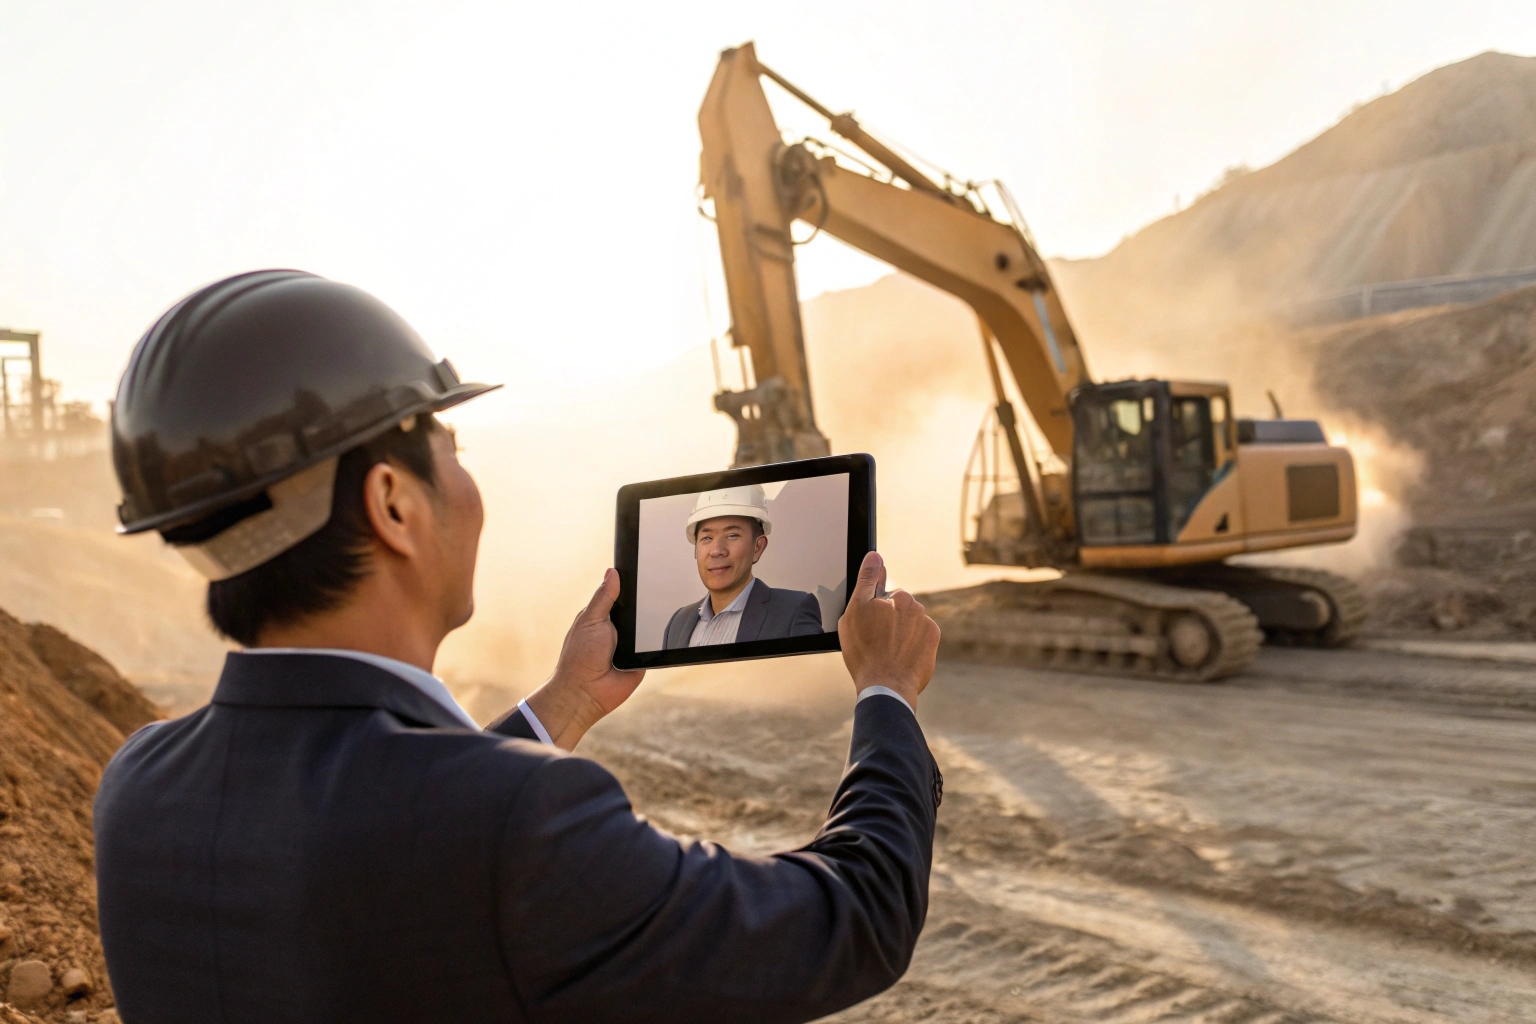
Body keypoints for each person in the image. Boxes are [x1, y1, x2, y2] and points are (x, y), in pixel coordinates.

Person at [93, 270, 943, 1024]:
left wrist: (564, 701)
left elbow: (400, 835)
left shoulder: (139, 786)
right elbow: (853, 918)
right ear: (394, 504)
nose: (470, 486)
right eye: (451, 451)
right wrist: (885, 693)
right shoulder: (518, 821)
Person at [662, 485, 825, 649]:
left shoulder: (792, 611)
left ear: (758, 547)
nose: (717, 550)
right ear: (696, 549)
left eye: (732, 535)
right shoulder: (678, 623)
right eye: (707, 538)